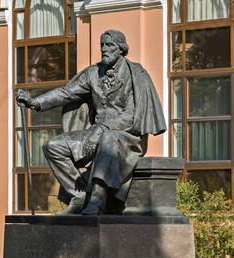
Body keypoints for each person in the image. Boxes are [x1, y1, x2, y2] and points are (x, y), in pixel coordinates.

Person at [16, 29, 166, 215]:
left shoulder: (136, 74)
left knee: (108, 139)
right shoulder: (93, 73)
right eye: (101, 45)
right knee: (52, 146)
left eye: (109, 45)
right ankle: (78, 196)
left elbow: (131, 114)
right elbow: (66, 93)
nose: (104, 49)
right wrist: (35, 102)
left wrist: (102, 129)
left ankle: (97, 199)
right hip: (95, 131)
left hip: (127, 135)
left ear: (121, 49)